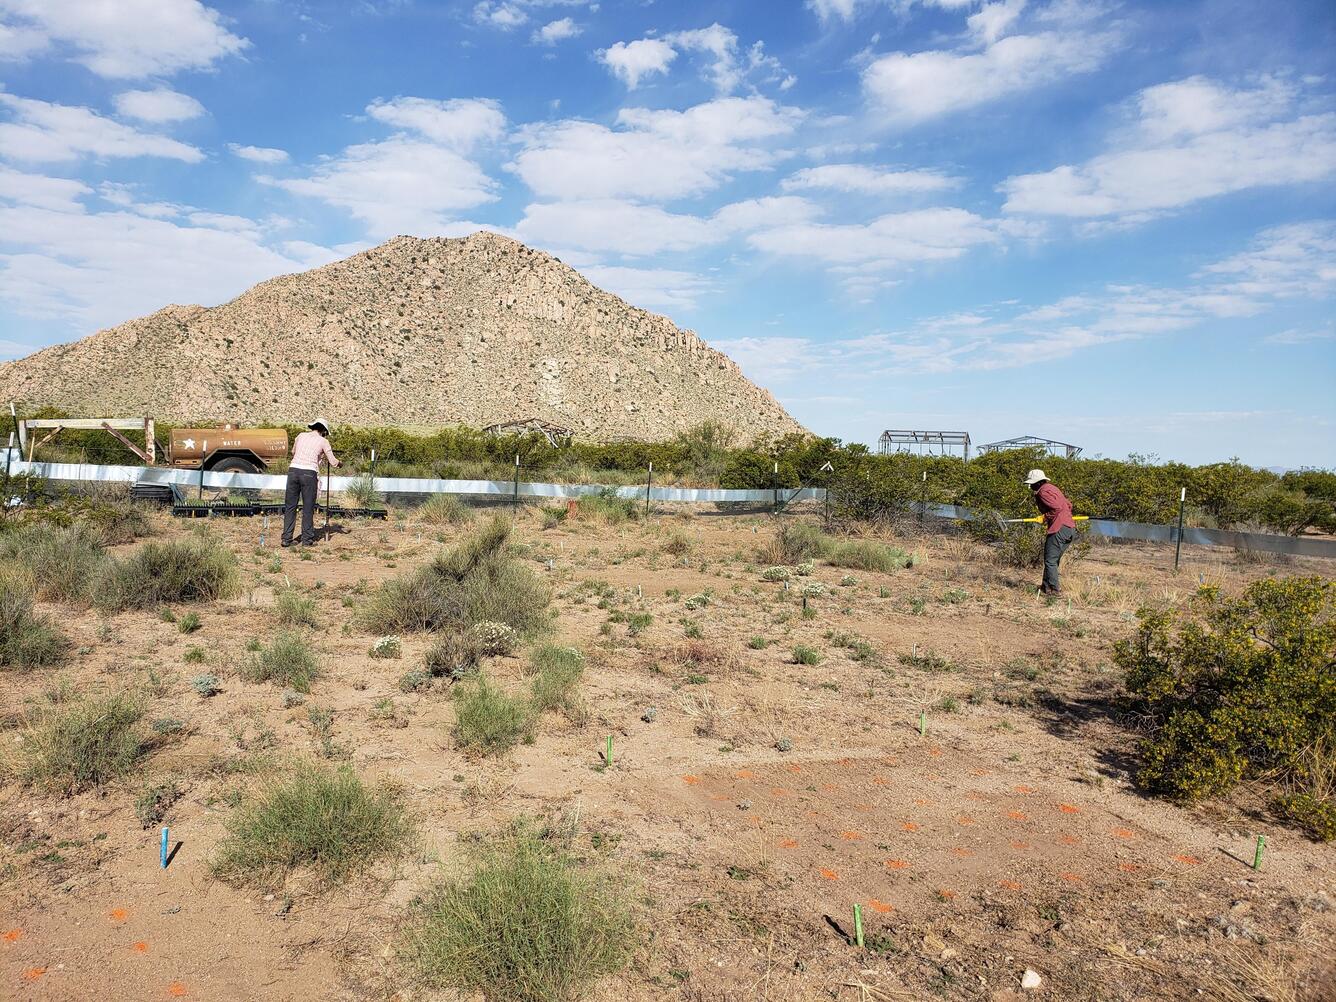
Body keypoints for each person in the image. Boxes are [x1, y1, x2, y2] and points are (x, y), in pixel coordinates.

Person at [282, 417, 339, 547]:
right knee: (308, 508)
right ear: (323, 430)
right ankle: (307, 540)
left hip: (293, 471)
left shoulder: (300, 435)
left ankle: (286, 539)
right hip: (309, 474)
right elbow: (333, 462)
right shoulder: (324, 441)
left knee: (290, 506)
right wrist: (340, 463)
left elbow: (293, 452)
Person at [1025, 468, 1076, 595]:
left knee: (1050, 561)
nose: (1030, 486)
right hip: (1069, 528)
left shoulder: (1043, 492)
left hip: (1059, 528)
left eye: (1031, 484)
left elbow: (1057, 508)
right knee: (1052, 560)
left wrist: (1044, 517)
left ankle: (1054, 590)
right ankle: (1045, 587)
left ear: (1037, 482)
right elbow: (1068, 505)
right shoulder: (1053, 488)